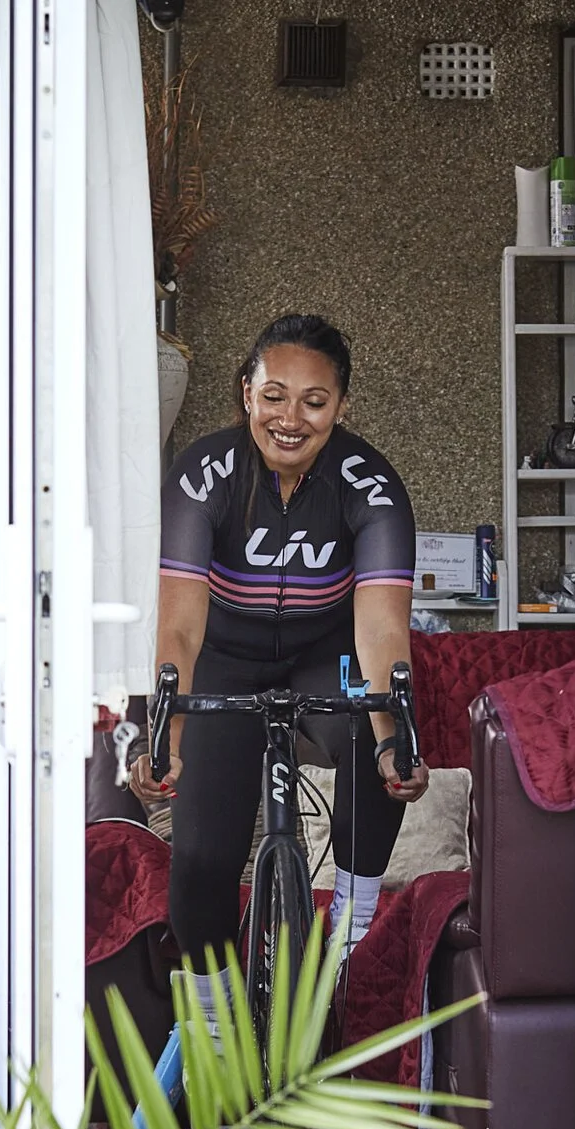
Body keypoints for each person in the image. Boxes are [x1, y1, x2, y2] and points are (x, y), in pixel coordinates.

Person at [130, 314, 429, 1006]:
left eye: (314, 401)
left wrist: (393, 744)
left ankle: (351, 931)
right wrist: (165, 739)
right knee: (203, 854)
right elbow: (178, 627)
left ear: (341, 406)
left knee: (367, 739)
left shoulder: (372, 486)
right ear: (246, 393)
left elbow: (382, 631)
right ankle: (209, 1016)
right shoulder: (205, 475)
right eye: (274, 395)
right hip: (225, 660)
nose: (290, 418)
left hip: (325, 656)